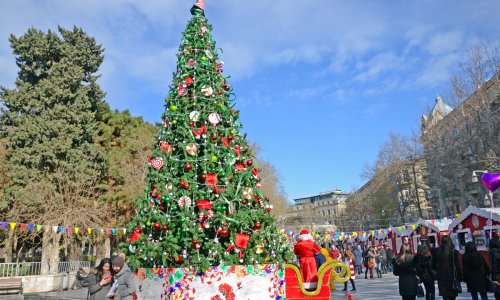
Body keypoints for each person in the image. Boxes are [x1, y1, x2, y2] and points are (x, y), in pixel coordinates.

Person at [432, 235, 462, 300]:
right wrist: (460, 278)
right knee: (452, 297)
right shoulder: (454, 252)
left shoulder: (436, 251)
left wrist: (438, 270)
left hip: (441, 278)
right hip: (452, 277)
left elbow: (432, 265)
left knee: (445, 297)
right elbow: (457, 266)